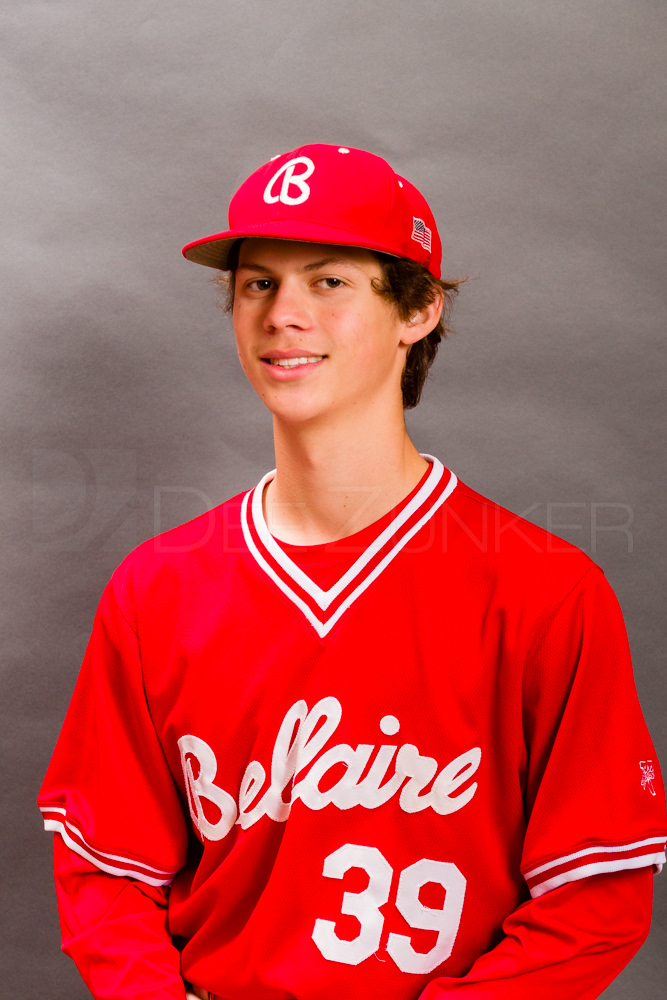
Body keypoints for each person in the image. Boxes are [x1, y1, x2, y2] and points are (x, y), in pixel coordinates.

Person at [38, 143, 666, 1000]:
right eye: (258, 283)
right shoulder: (158, 586)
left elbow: (594, 899)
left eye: (328, 281)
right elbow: (105, 872)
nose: (281, 315)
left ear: (416, 310)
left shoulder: (544, 589)